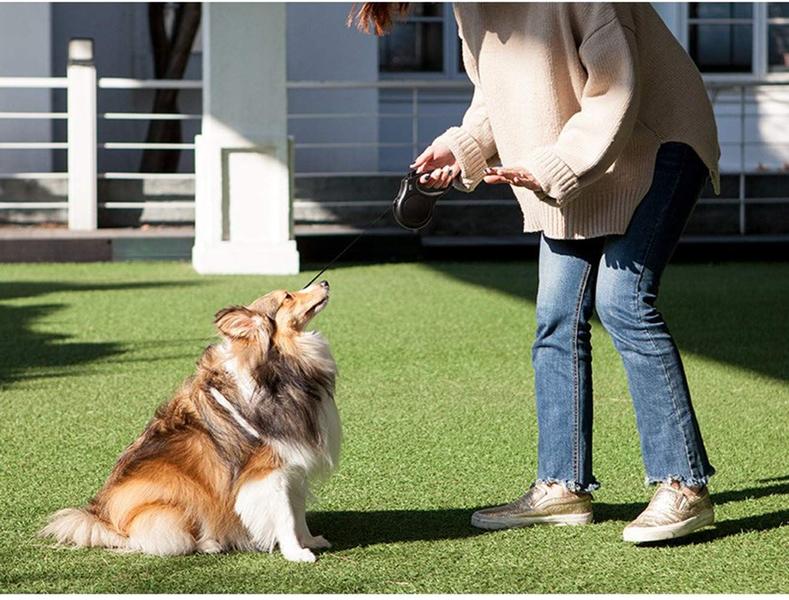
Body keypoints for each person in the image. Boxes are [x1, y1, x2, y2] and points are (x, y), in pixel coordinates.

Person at [352, 2, 719, 544]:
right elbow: (498, 91)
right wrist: (464, 145)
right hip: (577, 150)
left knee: (623, 300)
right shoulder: (469, 6)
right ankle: (562, 487)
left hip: (658, 135)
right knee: (555, 315)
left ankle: (684, 486)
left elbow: (618, 90)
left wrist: (559, 163)